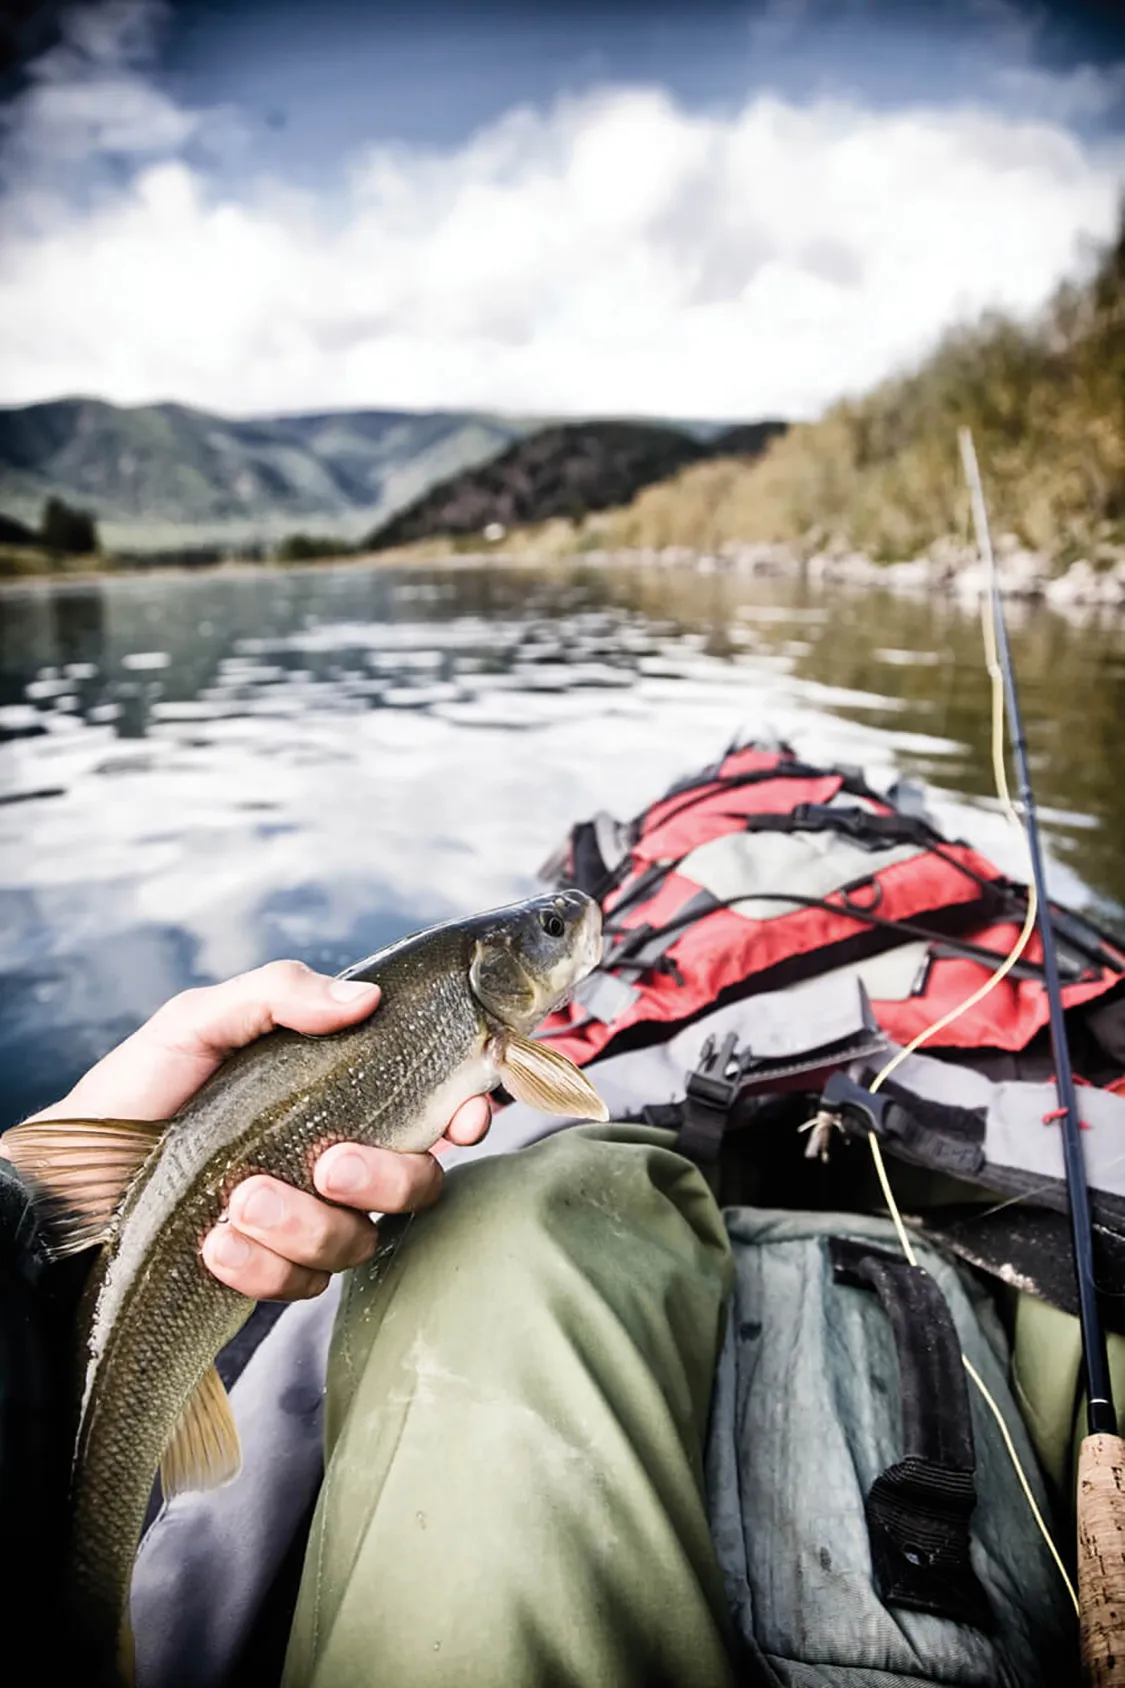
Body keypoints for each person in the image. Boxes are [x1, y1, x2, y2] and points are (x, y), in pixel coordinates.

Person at [2, 962, 1077, 1688]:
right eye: (550, 936)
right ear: (497, 984)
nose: (570, 939)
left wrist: (31, 1203)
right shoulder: (480, 1018)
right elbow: (568, 1107)